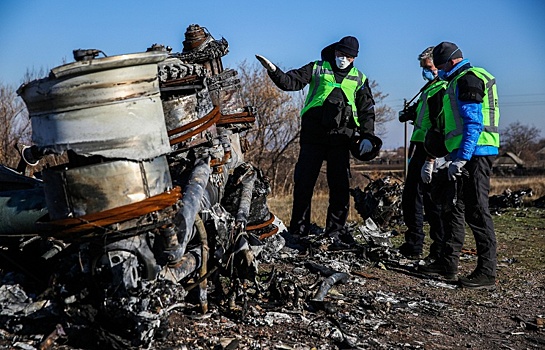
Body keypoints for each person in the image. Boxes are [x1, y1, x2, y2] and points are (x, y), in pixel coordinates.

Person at [255, 36, 376, 242]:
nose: (342, 59)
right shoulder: (317, 68)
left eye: (347, 56)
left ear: (354, 58)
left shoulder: (359, 79)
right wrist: (274, 71)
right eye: (340, 54)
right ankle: (298, 231)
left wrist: (368, 136)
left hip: (342, 137)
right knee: (304, 183)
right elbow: (291, 82)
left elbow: (367, 111)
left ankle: (335, 232)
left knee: (339, 187)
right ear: (334, 51)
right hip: (314, 135)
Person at [419, 42, 499, 290]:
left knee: (477, 211)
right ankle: (448, 263)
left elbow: (473, 122)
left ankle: (487, 272)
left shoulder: (467, 79)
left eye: (440, 66)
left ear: (450, 62)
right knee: (455, 208)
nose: (438, 72)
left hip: (475, 154)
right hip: (463, 153)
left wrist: (462, 157)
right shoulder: (460, 79)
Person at [397, 46, 446, 261]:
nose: (424, 71)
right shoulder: (428, 88)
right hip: (418, 145)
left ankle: (438, 248)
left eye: (427, 67)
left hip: (430, 151)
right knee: (411, 198)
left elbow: (438, 126)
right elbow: (421, 114)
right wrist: (409, 113)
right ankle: (414, 243)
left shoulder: (442, 88)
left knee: (432, 201)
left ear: (438, 65)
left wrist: (431, 159)